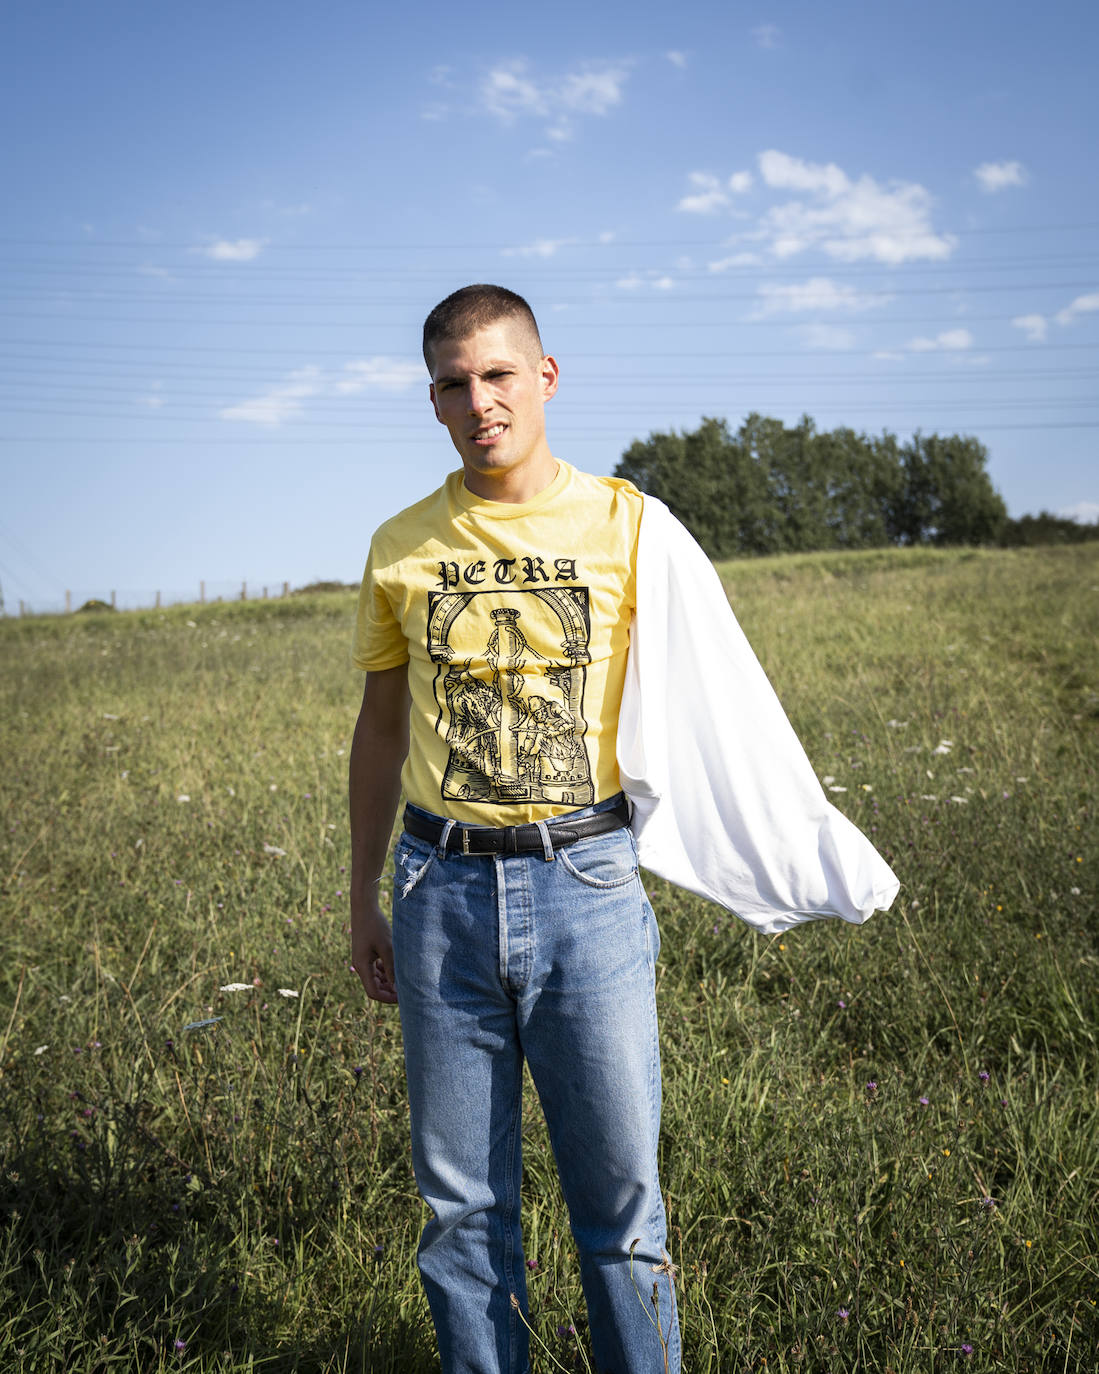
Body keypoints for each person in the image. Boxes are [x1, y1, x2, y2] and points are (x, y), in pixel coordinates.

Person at [348, 284, 680, 1373]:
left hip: (587, 883)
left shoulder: (628, 523)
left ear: (545, 375)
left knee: (623, 1218)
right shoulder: (400, 546)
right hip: (439, 889)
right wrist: (363, 897)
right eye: (453, 383)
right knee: (460, 1216)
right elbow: (380, 731)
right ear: (434, 401)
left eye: (498, 373)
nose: (478, 399)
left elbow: (710, 695)